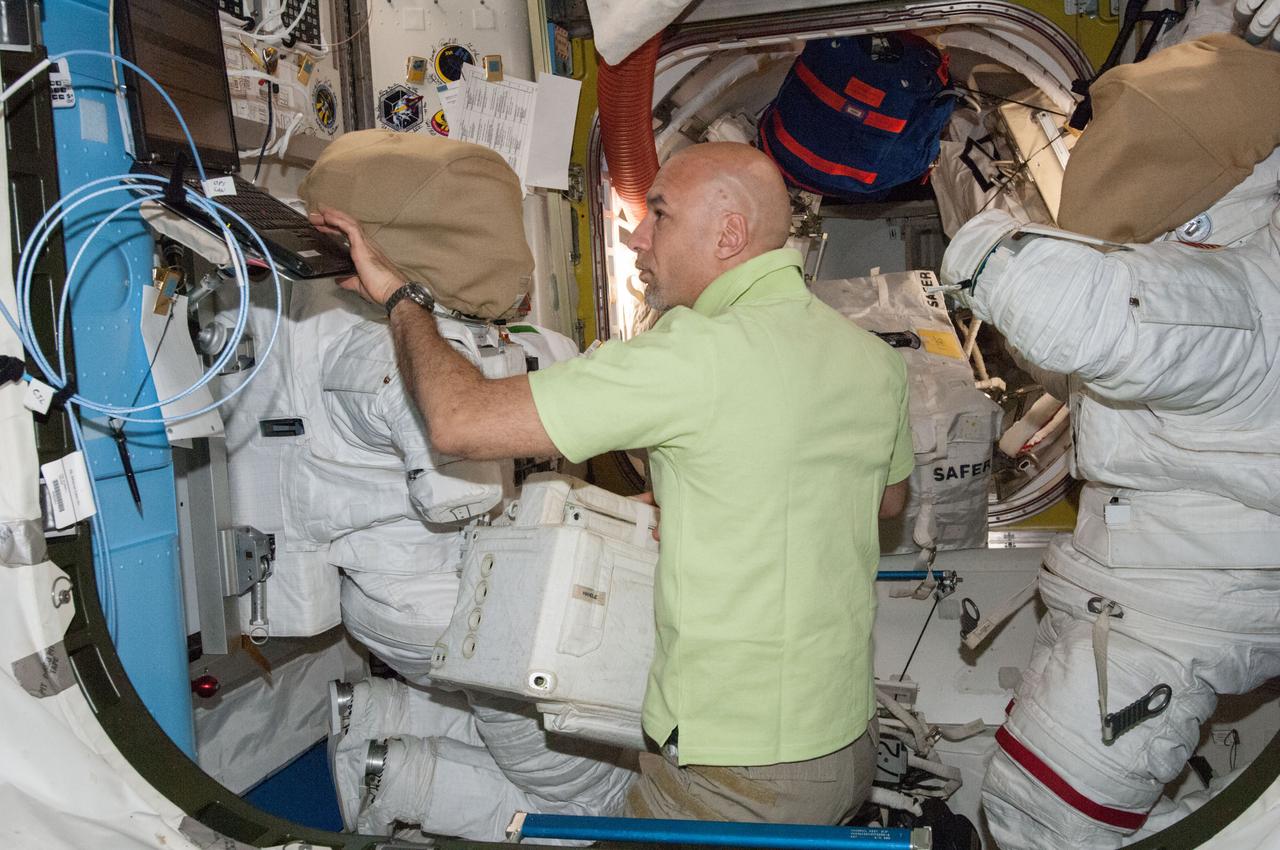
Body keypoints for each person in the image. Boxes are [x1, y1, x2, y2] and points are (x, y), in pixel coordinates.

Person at [311, 140, 914, 825]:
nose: (636, 235)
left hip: (740, 770)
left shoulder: (693, 355)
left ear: (729, 235)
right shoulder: (870, 359)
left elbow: (458, 421)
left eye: (661, 214)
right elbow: (882, 498)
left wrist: (402, 297)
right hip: (842, 743)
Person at [939, 34, 1280, 849]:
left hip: (1179, 602)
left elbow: (1090, 314)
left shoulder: (1237, 299)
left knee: (1038, 821)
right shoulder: (1231, 273)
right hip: (1150, 577)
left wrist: (981, 248)